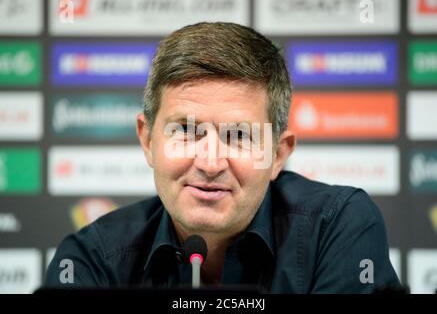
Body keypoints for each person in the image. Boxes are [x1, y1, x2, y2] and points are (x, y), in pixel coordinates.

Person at [45, 22, 401, 293]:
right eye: (185, 130)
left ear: (278, 154)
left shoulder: (337, 226)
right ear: (148, 139)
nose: (210, 163)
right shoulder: (92, 258)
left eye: (240, 135)